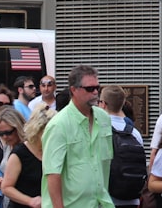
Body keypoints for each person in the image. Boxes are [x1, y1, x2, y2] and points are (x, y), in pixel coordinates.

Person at [41, 65, 114, 208]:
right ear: (73, 90)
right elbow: (52, 173)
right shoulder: (58, 125)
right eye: (89, 88)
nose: (95, 92)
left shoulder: (104, 118)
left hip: (101, 203)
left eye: (97, 88)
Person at [101, 85, 144, 208]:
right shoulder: (134, 133)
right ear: (123, 103)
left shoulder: (99, 130)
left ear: (103, 104)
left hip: (107, 199)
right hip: (132, 199)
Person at [2, 108, 55, 208]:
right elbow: (6, 187)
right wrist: (30, 201)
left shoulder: (54, 150)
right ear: (37, 131)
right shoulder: (19, 153)